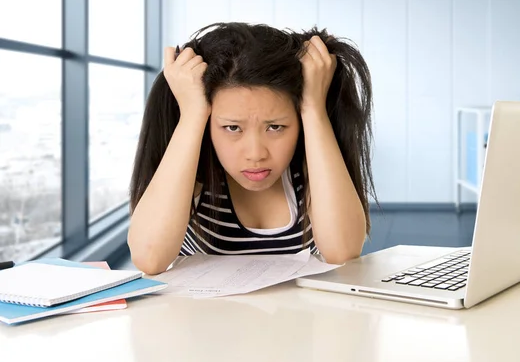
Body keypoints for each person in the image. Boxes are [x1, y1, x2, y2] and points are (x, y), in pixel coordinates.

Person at [127, 22, 377, 275]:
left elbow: (342, 252)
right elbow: (149, 258)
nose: (256, 154)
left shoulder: (309, 164)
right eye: (233, 128)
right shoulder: (195, 170)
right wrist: (192, 113)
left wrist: (313, 106)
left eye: (276, 127)